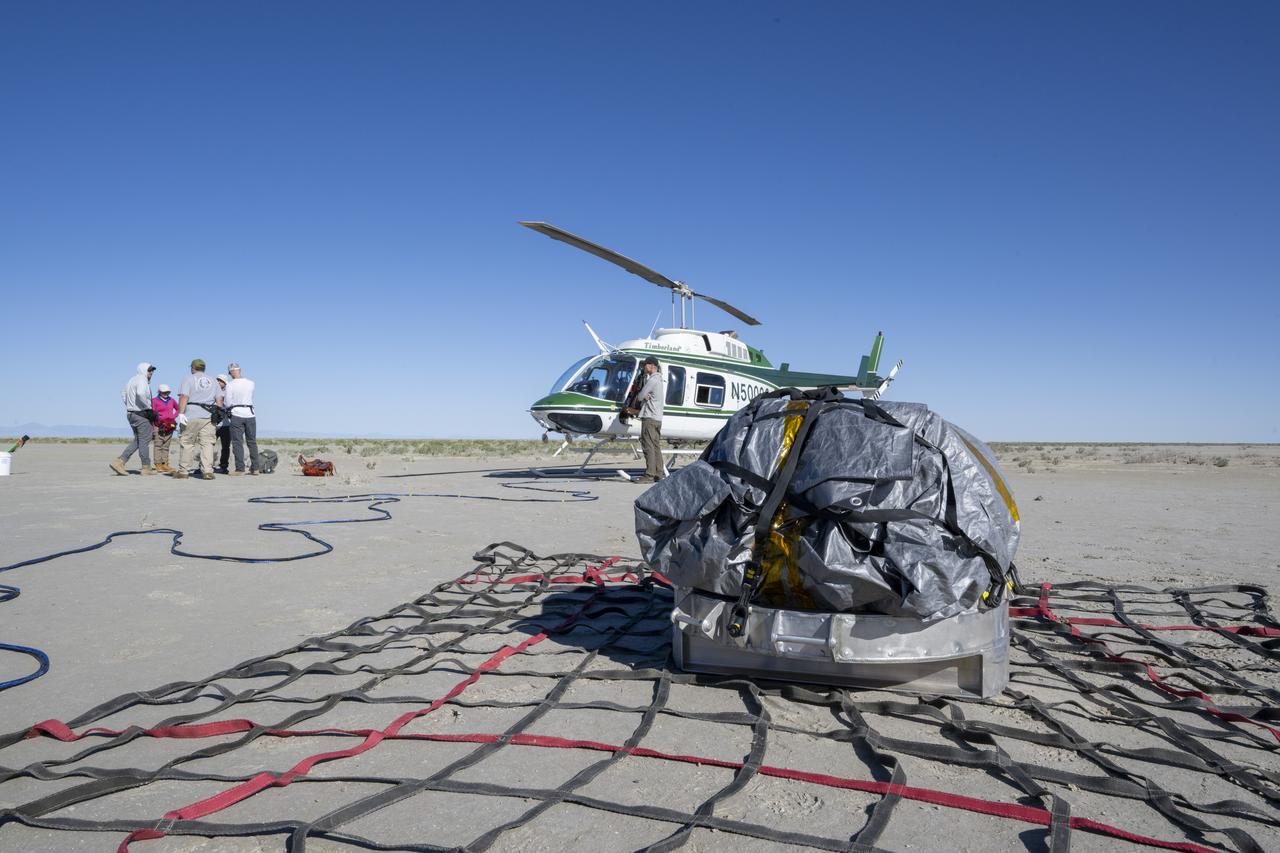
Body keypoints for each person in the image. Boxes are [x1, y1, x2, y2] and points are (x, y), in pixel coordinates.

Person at [174, 358, 219, 480]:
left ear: (193, 368)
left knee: (187, 442)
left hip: (191, 415)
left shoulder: (188, 379)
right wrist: (218, 413)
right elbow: (219, 399)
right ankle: (208, 471)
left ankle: (184, 471)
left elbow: (184, 396)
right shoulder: (213, 380)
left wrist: (181, 413)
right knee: (207, 444)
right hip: (209, 416)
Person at [110, 362, 157, 476]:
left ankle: (119, 462)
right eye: (149, 370)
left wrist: (129, 405)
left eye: (152, 370)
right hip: (141, 414)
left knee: (138, 440)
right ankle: (146, 467)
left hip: (131, 414)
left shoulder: (132, 380)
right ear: (143, 370)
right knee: (145, 440)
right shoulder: (142, 380)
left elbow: (123, 393)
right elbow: (140, 393)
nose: (151, 372)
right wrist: (148, 408)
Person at [224, 362, 260, 475]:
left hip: (237, 414)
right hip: (250, 413)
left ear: (231, 372)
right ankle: (255, 468)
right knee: (252, 442)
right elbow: (250, 397)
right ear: (239, 370)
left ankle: (240, 469)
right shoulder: (251, 383)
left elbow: (227, 402)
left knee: (237, 443)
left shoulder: (230, 385)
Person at [635, 355, 665, 483]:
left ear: (651, 366)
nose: (643, 367)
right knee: (655, 446)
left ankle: (649, 475)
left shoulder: (652, 380)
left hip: (650, 417)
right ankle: (659, 473)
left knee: (648, 446)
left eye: (645, 365)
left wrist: (643, 395)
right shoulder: (659, 379)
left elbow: (640, 397)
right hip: (657, 418)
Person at [151, 384, 180, 472]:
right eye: (164, 392)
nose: (166, 394)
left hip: (170, 425)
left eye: (168, 392)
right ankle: (158, 464)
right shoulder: (154, 400)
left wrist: (173, 416)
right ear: (159, 392)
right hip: (158, 426)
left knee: (166, 446)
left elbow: (178, 409)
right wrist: (154, 425)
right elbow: (152, 413)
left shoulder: (172, 400)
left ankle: (165, 464)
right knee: (158, 445)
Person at [213, 374, 231, 474]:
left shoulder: (229, 392)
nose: (219, 382)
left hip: (226, 425)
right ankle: (205, 465)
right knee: (208, 446)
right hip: (213, 424)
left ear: (225, 383)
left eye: (221, 381)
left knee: (225, 447)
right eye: (218, 380)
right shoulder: (212, 391)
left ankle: (224, 466)